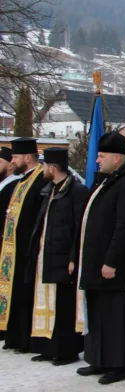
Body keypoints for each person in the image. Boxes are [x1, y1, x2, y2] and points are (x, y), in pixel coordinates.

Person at [76, 132, 125, 385]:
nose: (97, 160)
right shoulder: (106, 182)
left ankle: (119, 365)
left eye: (101, 156)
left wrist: (111, 261)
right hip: (97, 263)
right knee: (99, 313)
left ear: (116, 158)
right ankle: (99, 359)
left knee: (116, 316)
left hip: (119, 268)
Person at [27, 147, 88, 365]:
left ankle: (65, 351)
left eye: (44, 166)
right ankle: (47, 347)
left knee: (63, 305)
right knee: (46, 303)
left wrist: (73, 257)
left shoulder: (77, 191)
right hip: (47, 254)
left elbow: (78, 228)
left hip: (64, 257)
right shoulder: (50, 189)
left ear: (52, 168)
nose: (42, 169)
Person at [0, 138, 49, 353]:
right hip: (14, 249)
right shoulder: (21, 181)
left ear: (27, 157)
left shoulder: (40, 182)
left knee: (25, 293)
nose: (13, 161)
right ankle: (15, 337)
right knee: (15, 293)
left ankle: (24, 339)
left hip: (28, 250)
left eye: (16, 157)